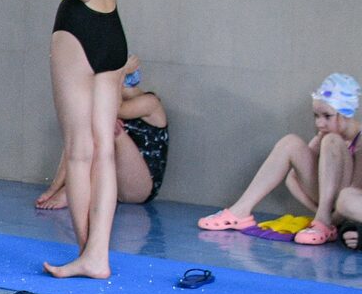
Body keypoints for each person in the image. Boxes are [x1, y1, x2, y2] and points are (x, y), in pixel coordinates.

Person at [38, 0, 144, 280]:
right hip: (112, 33)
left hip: (78, 31)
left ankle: (86, 254)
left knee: (80, 151)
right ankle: (99, 254)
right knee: (104, 151)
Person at [196, 73, 359, 246]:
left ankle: (324, 221)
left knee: (332, 140)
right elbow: (292, 179)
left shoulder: (356, 138)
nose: (319, 123)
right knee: (290, 142)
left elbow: (352, 193)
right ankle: (240, 210)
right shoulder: (324, 135)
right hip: (328, 209)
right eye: (316, 116)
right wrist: (320, 212)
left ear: (346, 114)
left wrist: (336, 218)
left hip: (346, 207)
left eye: (327, 116)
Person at [36, 55, 168, 208]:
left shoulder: (151, 102)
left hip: (140, 188)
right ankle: (57, 187)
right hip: (113, 183)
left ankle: (68, 192)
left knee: (107, 127)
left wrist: (120, 73)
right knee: (82, 129)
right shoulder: (111, 102)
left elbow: (116, 109)